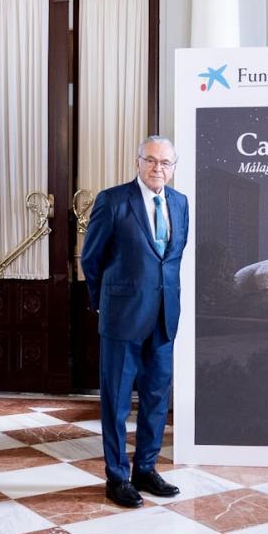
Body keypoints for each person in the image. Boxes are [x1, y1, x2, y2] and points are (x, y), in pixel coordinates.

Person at [80, 135, 187, 508]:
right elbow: (91, 260)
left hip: (163, 318)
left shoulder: (180, 203)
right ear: (138, 162)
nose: (158, 168)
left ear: (174, 168)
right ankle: (117, 477)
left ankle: (145, 469)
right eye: (151, 161)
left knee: (157, 399)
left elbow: (170, 260)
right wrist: (103, 303)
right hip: (121, 319)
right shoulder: (112, 201)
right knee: (116, 403)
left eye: (166, 163)